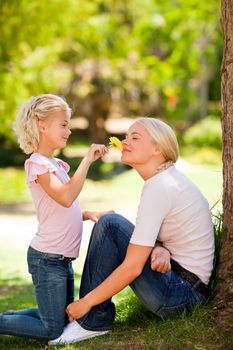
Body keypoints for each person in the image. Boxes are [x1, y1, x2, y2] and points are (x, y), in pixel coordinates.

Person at [49, 117, 215, 345]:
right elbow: (160, 237)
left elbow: (133, 267)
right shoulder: (165, 180)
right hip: (183, 285)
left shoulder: (160, 186)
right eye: (126, 136)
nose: (125, 142)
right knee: (111, 223)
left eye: (135, 138)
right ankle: (93, 318)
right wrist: (161, 249)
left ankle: (91, 321)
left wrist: (86, 302)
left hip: (182, 294)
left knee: (110, 225)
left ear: (158, 149)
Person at [0, 94, 109, 342]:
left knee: (59, 318)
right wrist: (87, 160)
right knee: (52, 330)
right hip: (47, 259)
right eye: (63, 124)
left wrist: (87, 214)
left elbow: (62, 209)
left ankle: (9, 317)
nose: (69, 131)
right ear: (41, 124)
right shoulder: (37, 164)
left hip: (61, 260)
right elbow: (66, 197)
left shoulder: (55, 164)